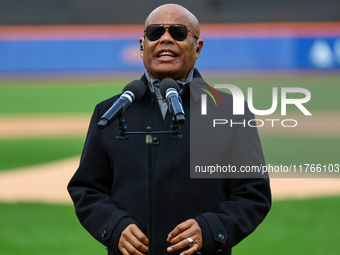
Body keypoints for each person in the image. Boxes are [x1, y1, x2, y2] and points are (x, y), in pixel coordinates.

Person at [68, 4, 271, 255]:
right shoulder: (108, 112)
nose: (165, 38)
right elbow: (87, 189)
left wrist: (209, 229)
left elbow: (253, 195)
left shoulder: (231, 111)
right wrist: (114, 226)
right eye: (155, 33)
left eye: (178, 32)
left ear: (198, 47)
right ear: (142, 46)